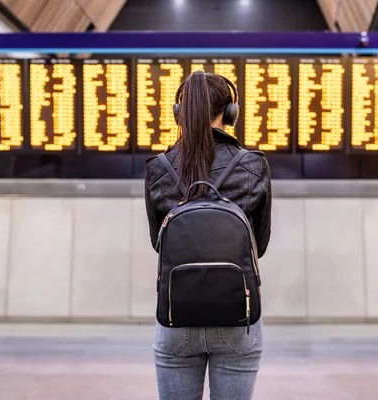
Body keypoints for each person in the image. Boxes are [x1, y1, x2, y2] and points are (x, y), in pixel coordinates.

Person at [144, 70, 272, 400]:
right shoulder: (254, 165)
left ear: (179, 114)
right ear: (231, 113)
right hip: (239, 317)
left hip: (176, 315)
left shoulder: (159, 167)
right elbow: (259, 243)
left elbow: (159, 244)